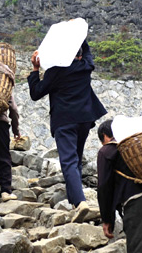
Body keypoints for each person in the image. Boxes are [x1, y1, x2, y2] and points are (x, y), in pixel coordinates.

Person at [27, 39, 107, 223]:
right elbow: (87, 52)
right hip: (84, 120)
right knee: (76, 160)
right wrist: (80, 36)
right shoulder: (85, 66)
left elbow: (35, 93)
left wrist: (34, 69)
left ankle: (80, 202)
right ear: (78, 54)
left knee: (69, 161)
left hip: (64, 121)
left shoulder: (55, 72)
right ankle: (74, 202)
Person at [97, 119, 142, 253]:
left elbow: (104, 186)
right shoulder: (140, 145)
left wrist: (107, 219)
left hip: (136, 200)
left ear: (105, 136)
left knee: (139, 247)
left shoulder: (107, 150)